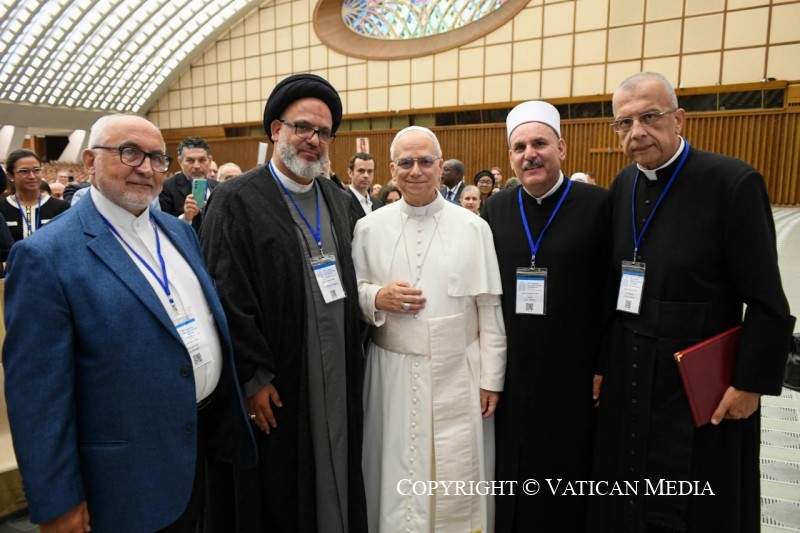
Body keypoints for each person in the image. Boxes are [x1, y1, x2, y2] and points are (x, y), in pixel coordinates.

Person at [2, 114, 257, 532]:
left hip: (200, 451)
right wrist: (57, 502)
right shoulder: (45, 256)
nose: (145, 167)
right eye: (129, 152)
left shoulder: (180, 233)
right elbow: (37, 396)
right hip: (125, 479)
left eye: (156, 158)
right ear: (90, 160)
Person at [591, 72, 795, 532]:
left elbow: (767, 299)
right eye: (624, 124)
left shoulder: (733, 182)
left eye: (650, 117)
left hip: (699, 379)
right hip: (633, 368)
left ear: (679, 119)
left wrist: (751, 384)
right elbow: (613, 284)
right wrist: (605, 363)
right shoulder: (623, 184)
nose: (637, 132)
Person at [200, 73, 368, 533]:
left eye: (323, 132)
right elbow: (225, 292)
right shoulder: (236, 199)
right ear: (276, 130)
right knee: (281, 490)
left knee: (338, 464)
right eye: (302, 128)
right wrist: (253, 377)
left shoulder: (337, 199)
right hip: (280, 379)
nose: (313, 140)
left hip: (338, 372)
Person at [352, 125, 506, 533]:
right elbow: (354, 292)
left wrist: (492, 378)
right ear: (392, 169)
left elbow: (489, 306)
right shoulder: (369, 228)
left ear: (440, 167)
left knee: (454, 478)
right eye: (406, 162)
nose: (415, 170)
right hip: (391, 372)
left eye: (425, 162)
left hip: (458, 369)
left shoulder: (474, 227)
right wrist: (376, 297)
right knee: (394, 466)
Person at [481, 100, 611, 532]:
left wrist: (603, 363)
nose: (529, 154)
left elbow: (612, 293)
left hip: (573, 372)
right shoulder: (496, 209)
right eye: (518, 147)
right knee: (512, 469)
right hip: (514, 369)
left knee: (567, 472)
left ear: (562, 148)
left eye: (539, 143)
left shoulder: (598, 206)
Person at [0, 149, 70, 242]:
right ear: (10, 175)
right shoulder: (2, 208)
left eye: (37, 170)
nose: (32, 176)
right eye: (24, 171)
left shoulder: (61, 207)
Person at [159, 136, 218, 232]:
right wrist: (186, 218)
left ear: (210, 160)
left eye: (202, 160)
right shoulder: (167, 188)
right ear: (180, 161)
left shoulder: (218, 187)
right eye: (190, 160)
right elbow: (164, 229)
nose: (197, 166)